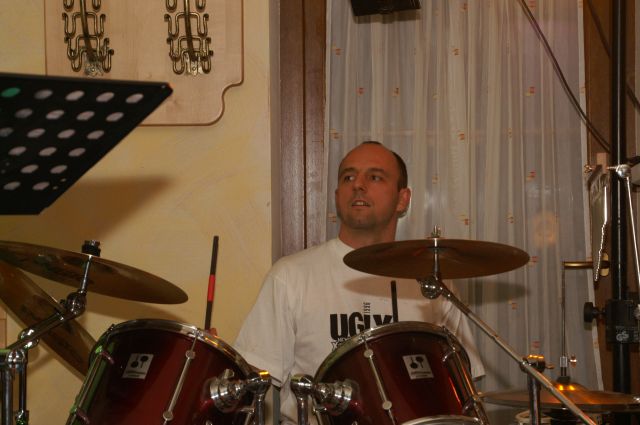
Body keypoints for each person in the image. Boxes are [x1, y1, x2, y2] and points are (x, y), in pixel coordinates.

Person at [234, 141, 484, 424]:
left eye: (375, 177)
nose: (358, 185)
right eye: (348, 177)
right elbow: (253, 383)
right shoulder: (290, 276)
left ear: (403, 199)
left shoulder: (430, 284)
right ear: (337, 196)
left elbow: (462, 384)